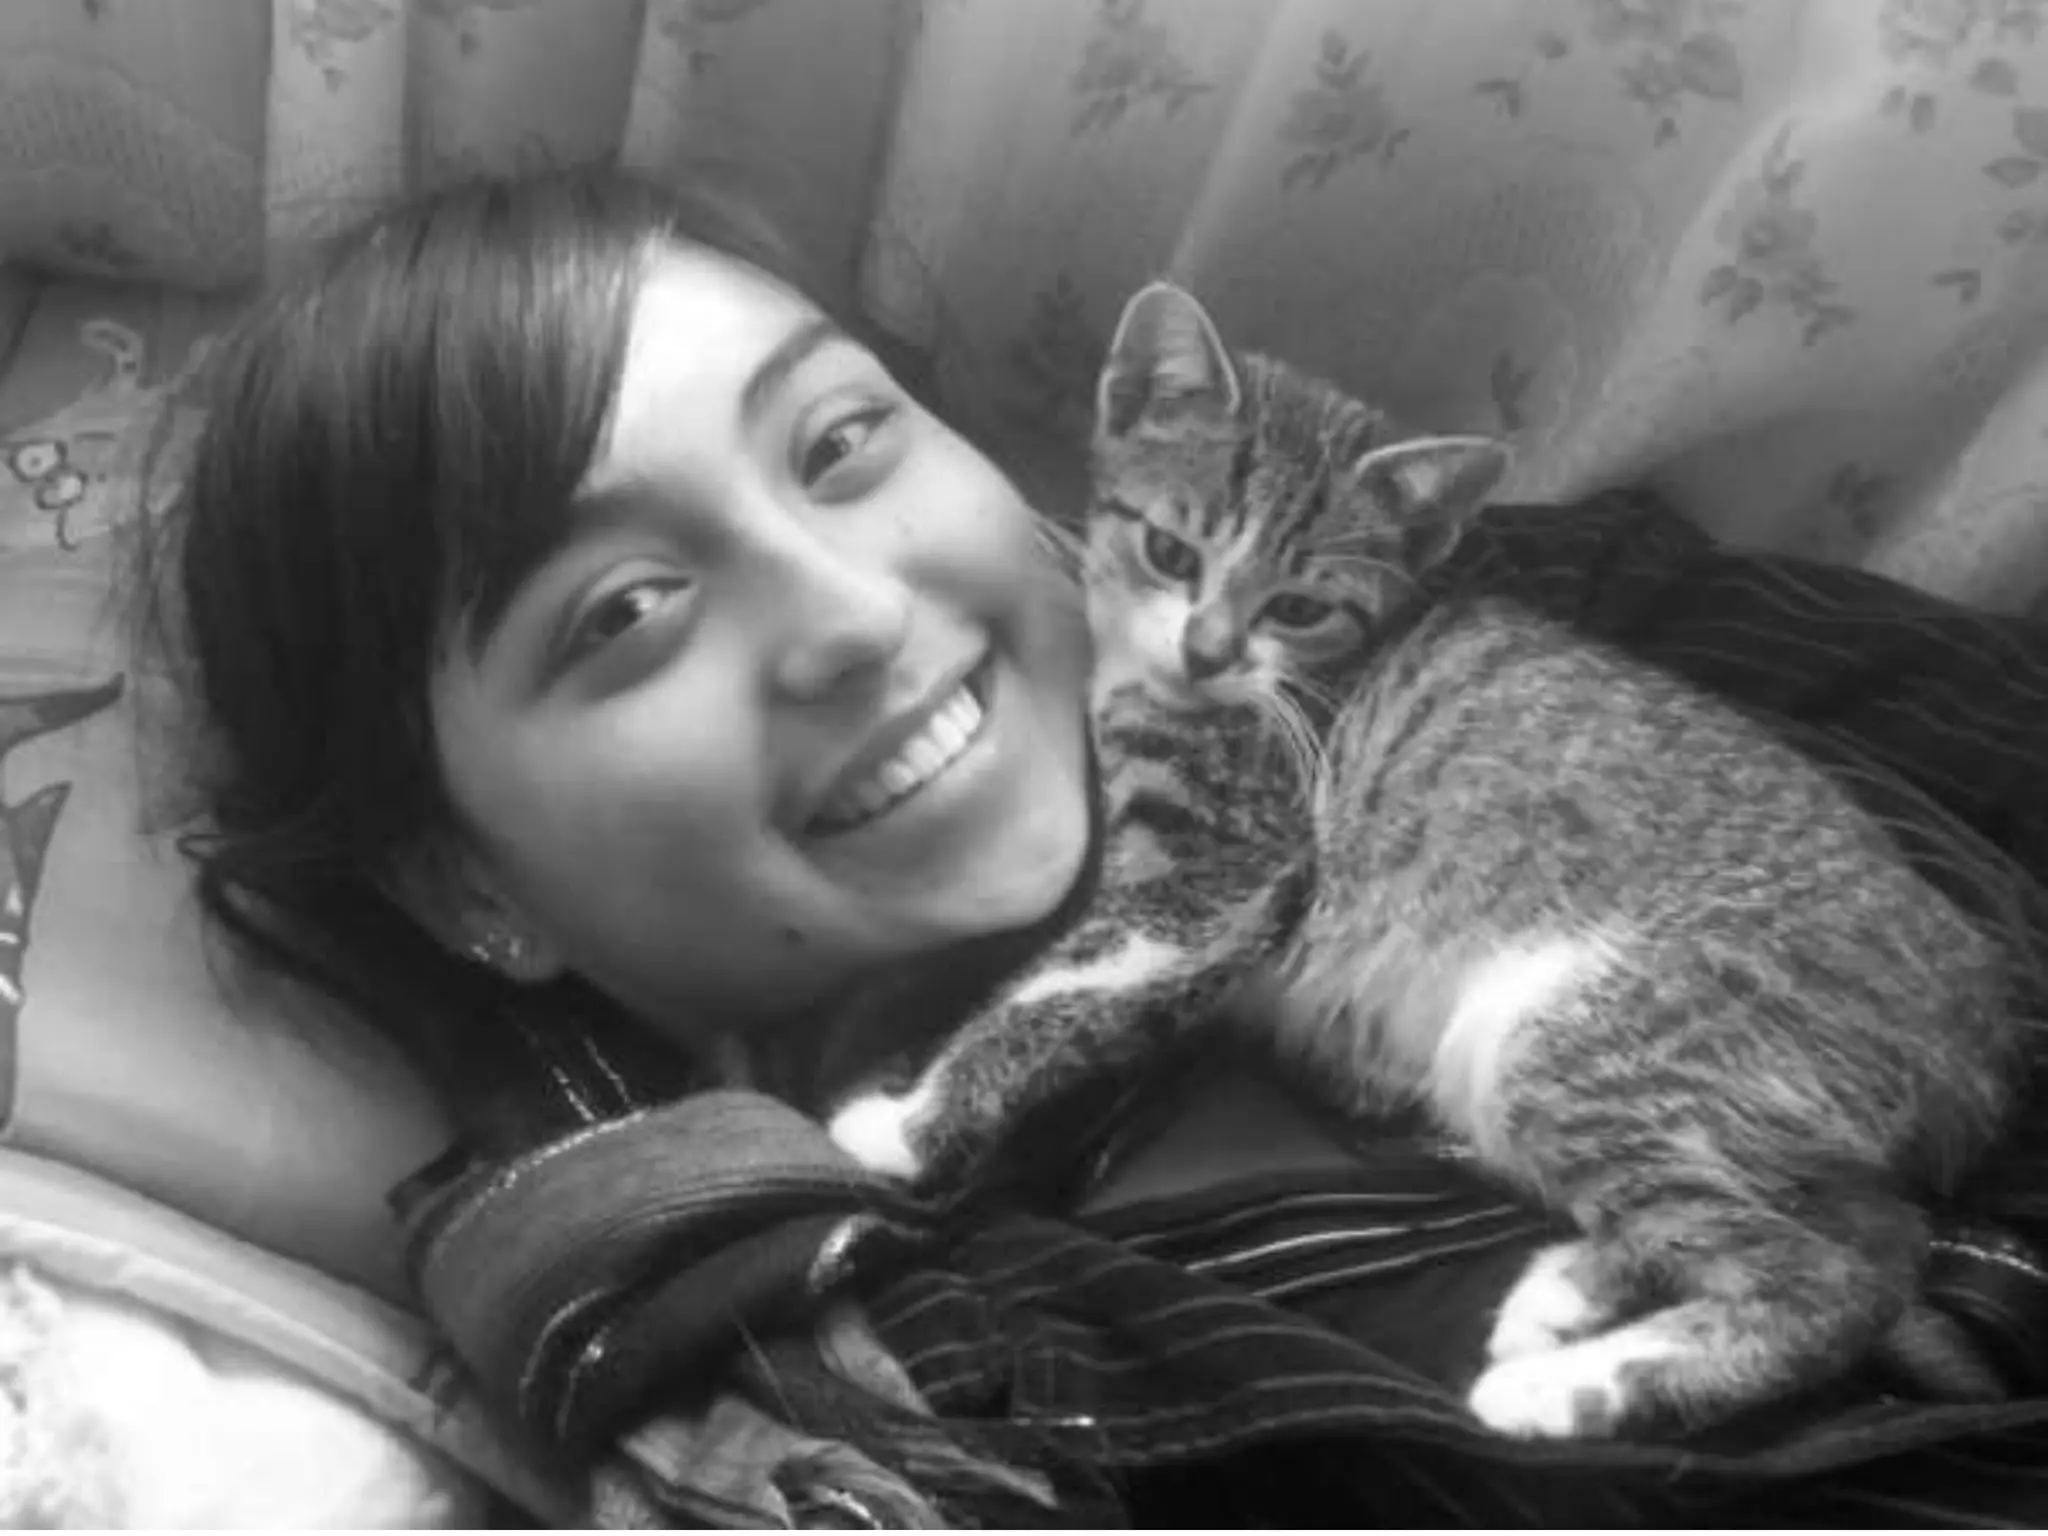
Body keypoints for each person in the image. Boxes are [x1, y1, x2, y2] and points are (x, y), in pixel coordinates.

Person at [146, 165, 2048, 1527]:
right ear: (468, 885)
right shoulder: (840, 1383)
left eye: (839, 443)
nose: (857, 616)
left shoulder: (1530, 604)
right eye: (624, 612)